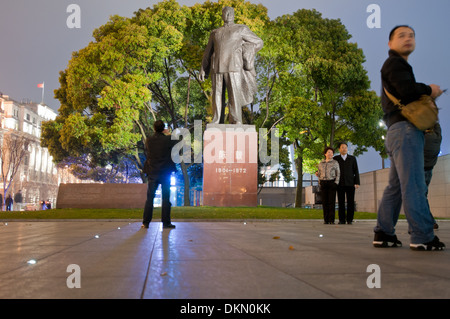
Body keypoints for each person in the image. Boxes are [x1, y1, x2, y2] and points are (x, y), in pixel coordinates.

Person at [373, 25, 445, 251]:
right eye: (401, 35)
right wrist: (429, 90)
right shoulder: (395, 63)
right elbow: (406, 91)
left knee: (395, 187)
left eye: (411, 35)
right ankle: (423, 236)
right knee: (413, 184)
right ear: (390, 43)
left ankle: (384, 232)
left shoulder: (395, 65)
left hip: (396, 131)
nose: (408, 39)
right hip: (405, 131)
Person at [199, 6, 263, 124]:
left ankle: (236, 119)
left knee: (234, 94)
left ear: (233, 15)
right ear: (222, 16)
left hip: (234, 66)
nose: (228, 16)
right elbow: (207, 52)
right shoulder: (215, 32)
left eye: (230, 13)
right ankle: (217, 119)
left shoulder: (241, 29)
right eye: (226, 14)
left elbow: (258, 42)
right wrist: (203, 69)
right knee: (217, 94)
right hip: (217, 67)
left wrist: (247, 51)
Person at [142, 120, 178, 229]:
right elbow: (178, 140)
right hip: (165, 172)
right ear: (163, 128)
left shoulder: (149, 140)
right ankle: (166, 223)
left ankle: (146, 222)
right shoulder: (168, 139)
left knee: (150, 198)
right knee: (166, 199)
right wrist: (168, 133)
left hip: (152, 172)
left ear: (154, 128)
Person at [333, 142, 360, 224]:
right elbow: (332, 170)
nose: (344, 149)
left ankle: (349, 220)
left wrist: (357, 182)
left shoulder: (352, 158)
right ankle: (341, 220)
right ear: (339, 149)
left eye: (345, 147)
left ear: (347, 149)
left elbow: (356, 171)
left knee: (350, 202)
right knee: (341, 203)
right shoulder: (336, 159)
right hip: (340, 184)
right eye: (342, 147)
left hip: (350, 183)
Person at [424, 122, 442, 230]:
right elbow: (437, 126)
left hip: (421, 170)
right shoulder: (437, 137)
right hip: (429, 170)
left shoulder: (423, 139)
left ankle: (429, 221)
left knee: (420, 197)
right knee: (423, 196)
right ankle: (429, 220)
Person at [317, 146, 340, 224]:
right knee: (324, 202)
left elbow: (338, 173)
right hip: (323, 183)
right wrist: (319, 181)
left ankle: (331, 220)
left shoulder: (335, 162)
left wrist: (336, 183)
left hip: (331, 182)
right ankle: (326, 220)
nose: (330, 154)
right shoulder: (321, 163)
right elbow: (319, 173)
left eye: (332, 152)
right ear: (325, 154)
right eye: (329, 152)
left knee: (331, 202)